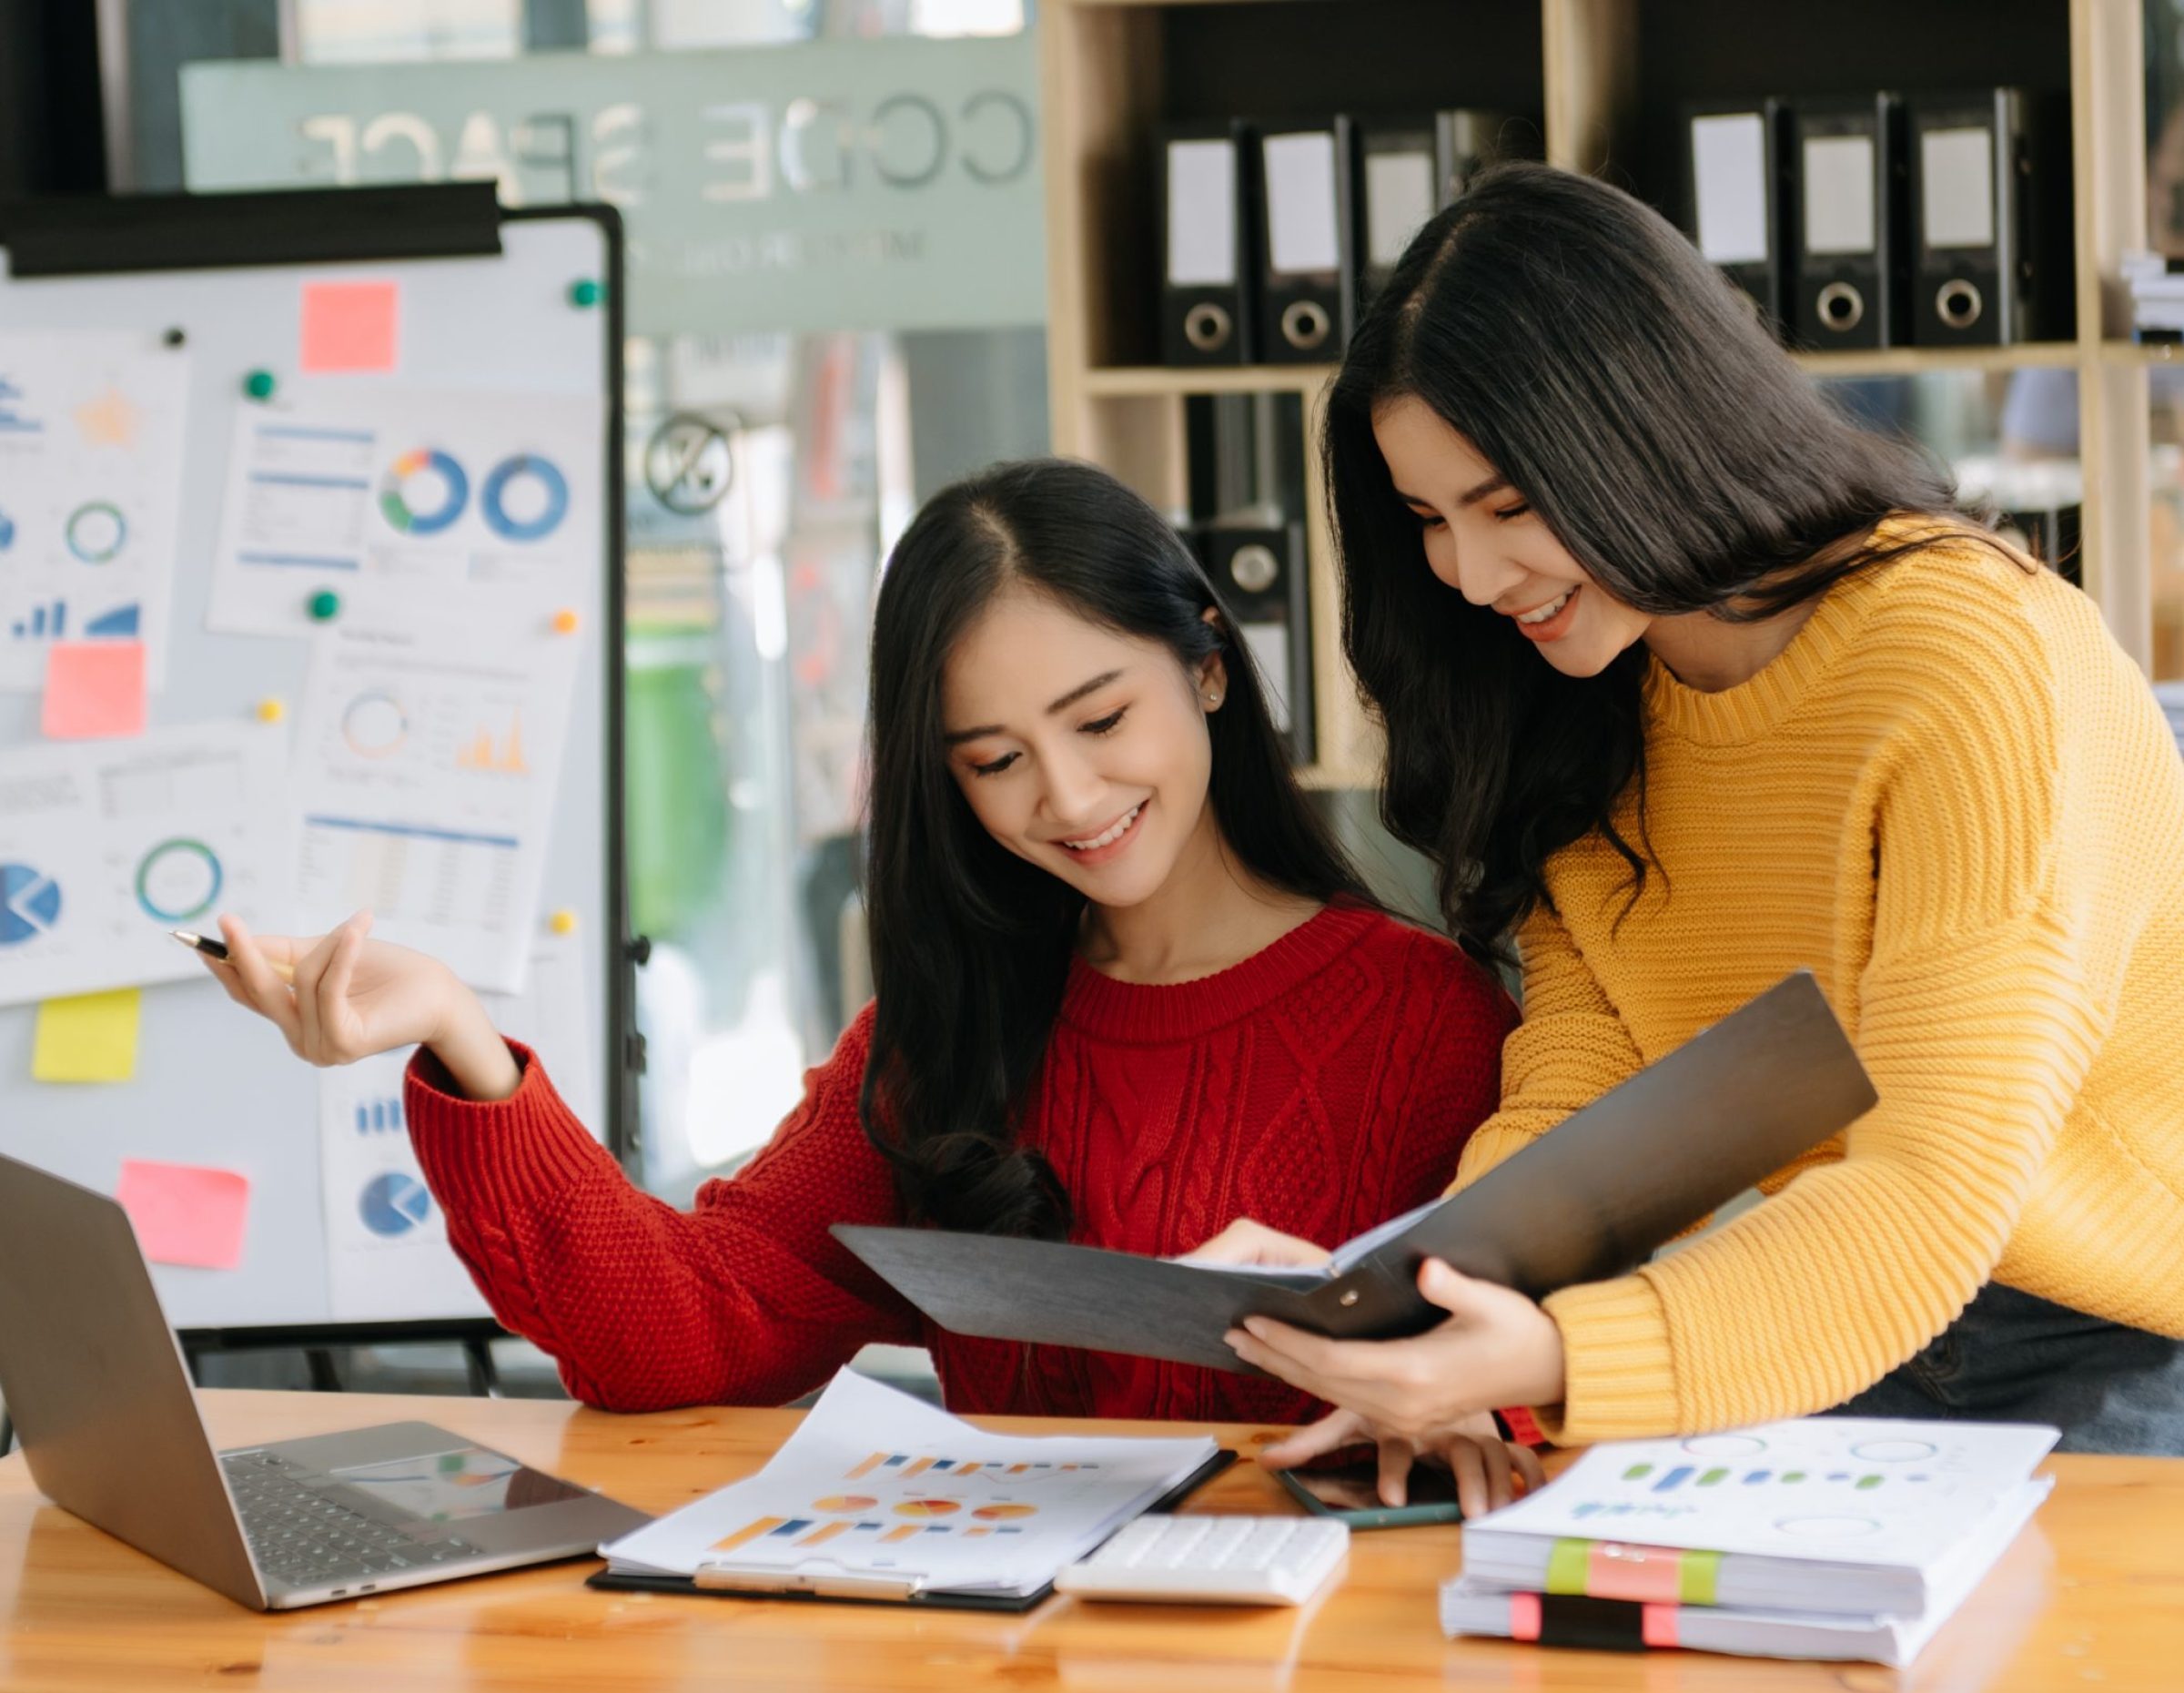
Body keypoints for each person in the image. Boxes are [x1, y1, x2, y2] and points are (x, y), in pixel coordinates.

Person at [205, 457, 1533, 1500]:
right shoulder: (942, 1041)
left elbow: (1547, 1378)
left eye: (1102, 719)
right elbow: (676, 1334)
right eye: (994, 760)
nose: (1070, 797)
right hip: (1009, 1668)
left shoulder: (1428, 1019)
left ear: (1204, 662)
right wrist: (458, 1041)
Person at [1198, 163, 2184, 1466]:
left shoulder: (1976, 662)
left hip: (2111, 1338)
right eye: (1431, 520)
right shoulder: (1584, 697)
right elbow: (1580, 1092)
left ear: (1646, 436)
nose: (1475, 575)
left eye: (1509, 505)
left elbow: (1932, 1195)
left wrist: (1554, 1356)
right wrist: (1403, 1295)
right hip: (1822, 1315)